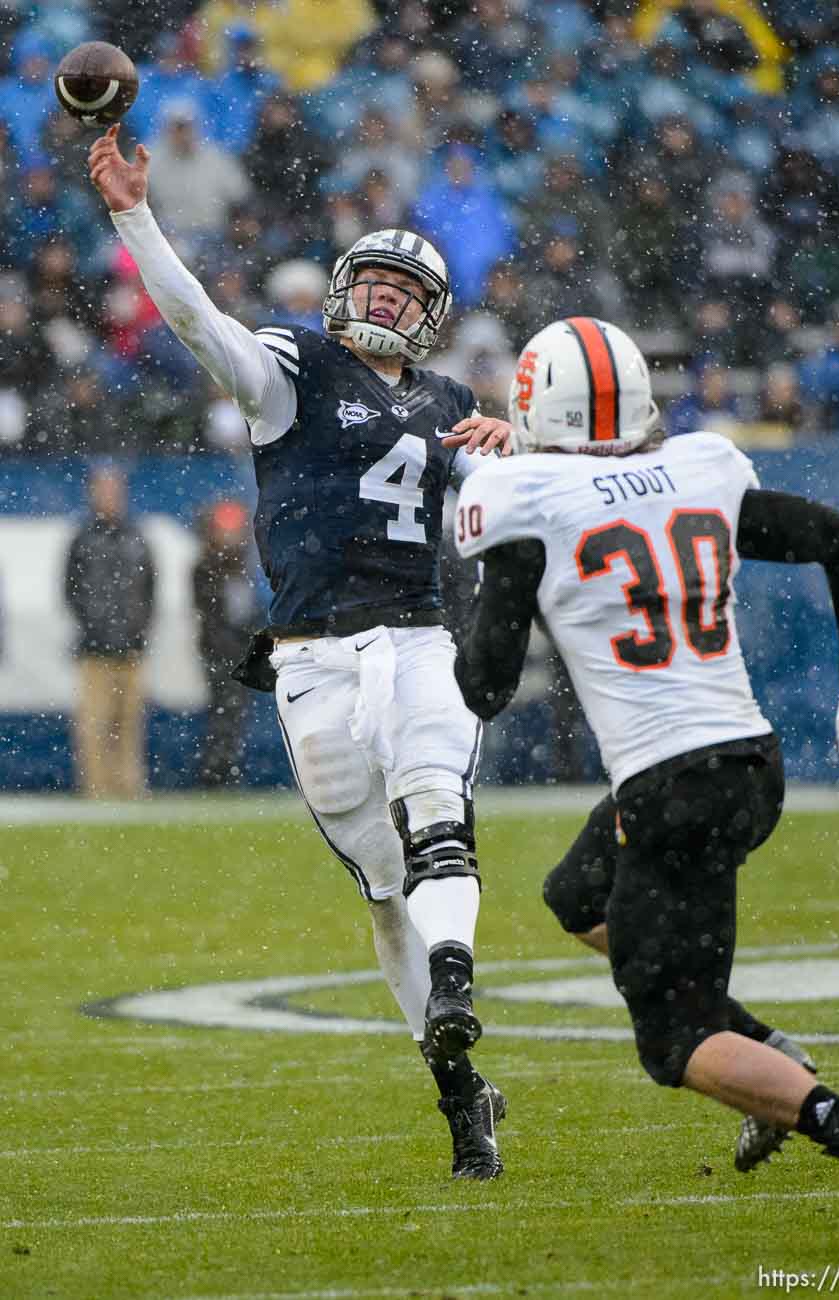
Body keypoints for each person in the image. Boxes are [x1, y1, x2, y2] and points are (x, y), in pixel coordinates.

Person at [451, 316, 839, 1249]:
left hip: (670, 787)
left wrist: (478, 588)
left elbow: (483, 688)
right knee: (576, 892)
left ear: (530, 405)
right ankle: (766, 1053)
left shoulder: (521, 498)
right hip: (750, 764)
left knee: (673, 1042)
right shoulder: (699, 466)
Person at [87, 124, 512, 1180]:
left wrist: (528, 440)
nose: (382, 300)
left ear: (431, 316)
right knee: (379, 887)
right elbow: (194, 321)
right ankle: (461, 1091)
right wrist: (135, 217)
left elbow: (526, 506)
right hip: (312, 657)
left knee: (436, 822)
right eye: (370, 281)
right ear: (341, 286)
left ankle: (452, 976)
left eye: (403, 292)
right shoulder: (293, 368)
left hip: (417, 638)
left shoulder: (455, 405)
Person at [64, 463, 156, 799]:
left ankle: (129, 785)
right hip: (94, 648)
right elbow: (70, 590)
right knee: (94, 723)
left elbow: (149, 590)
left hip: (131, 646)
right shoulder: (83, 537)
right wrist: (94, 624)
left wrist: (137, 629)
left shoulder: (136, 536)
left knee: (130, 723)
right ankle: (97, 788)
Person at [192, 499, 265, 786]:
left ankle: (225, 767)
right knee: (222, 713)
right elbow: (211, 616)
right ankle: (215, 771)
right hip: (220, 653)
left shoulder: (240, 566)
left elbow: (247, 613)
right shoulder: (206, 566)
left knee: (233, 714)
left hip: (237, 653)